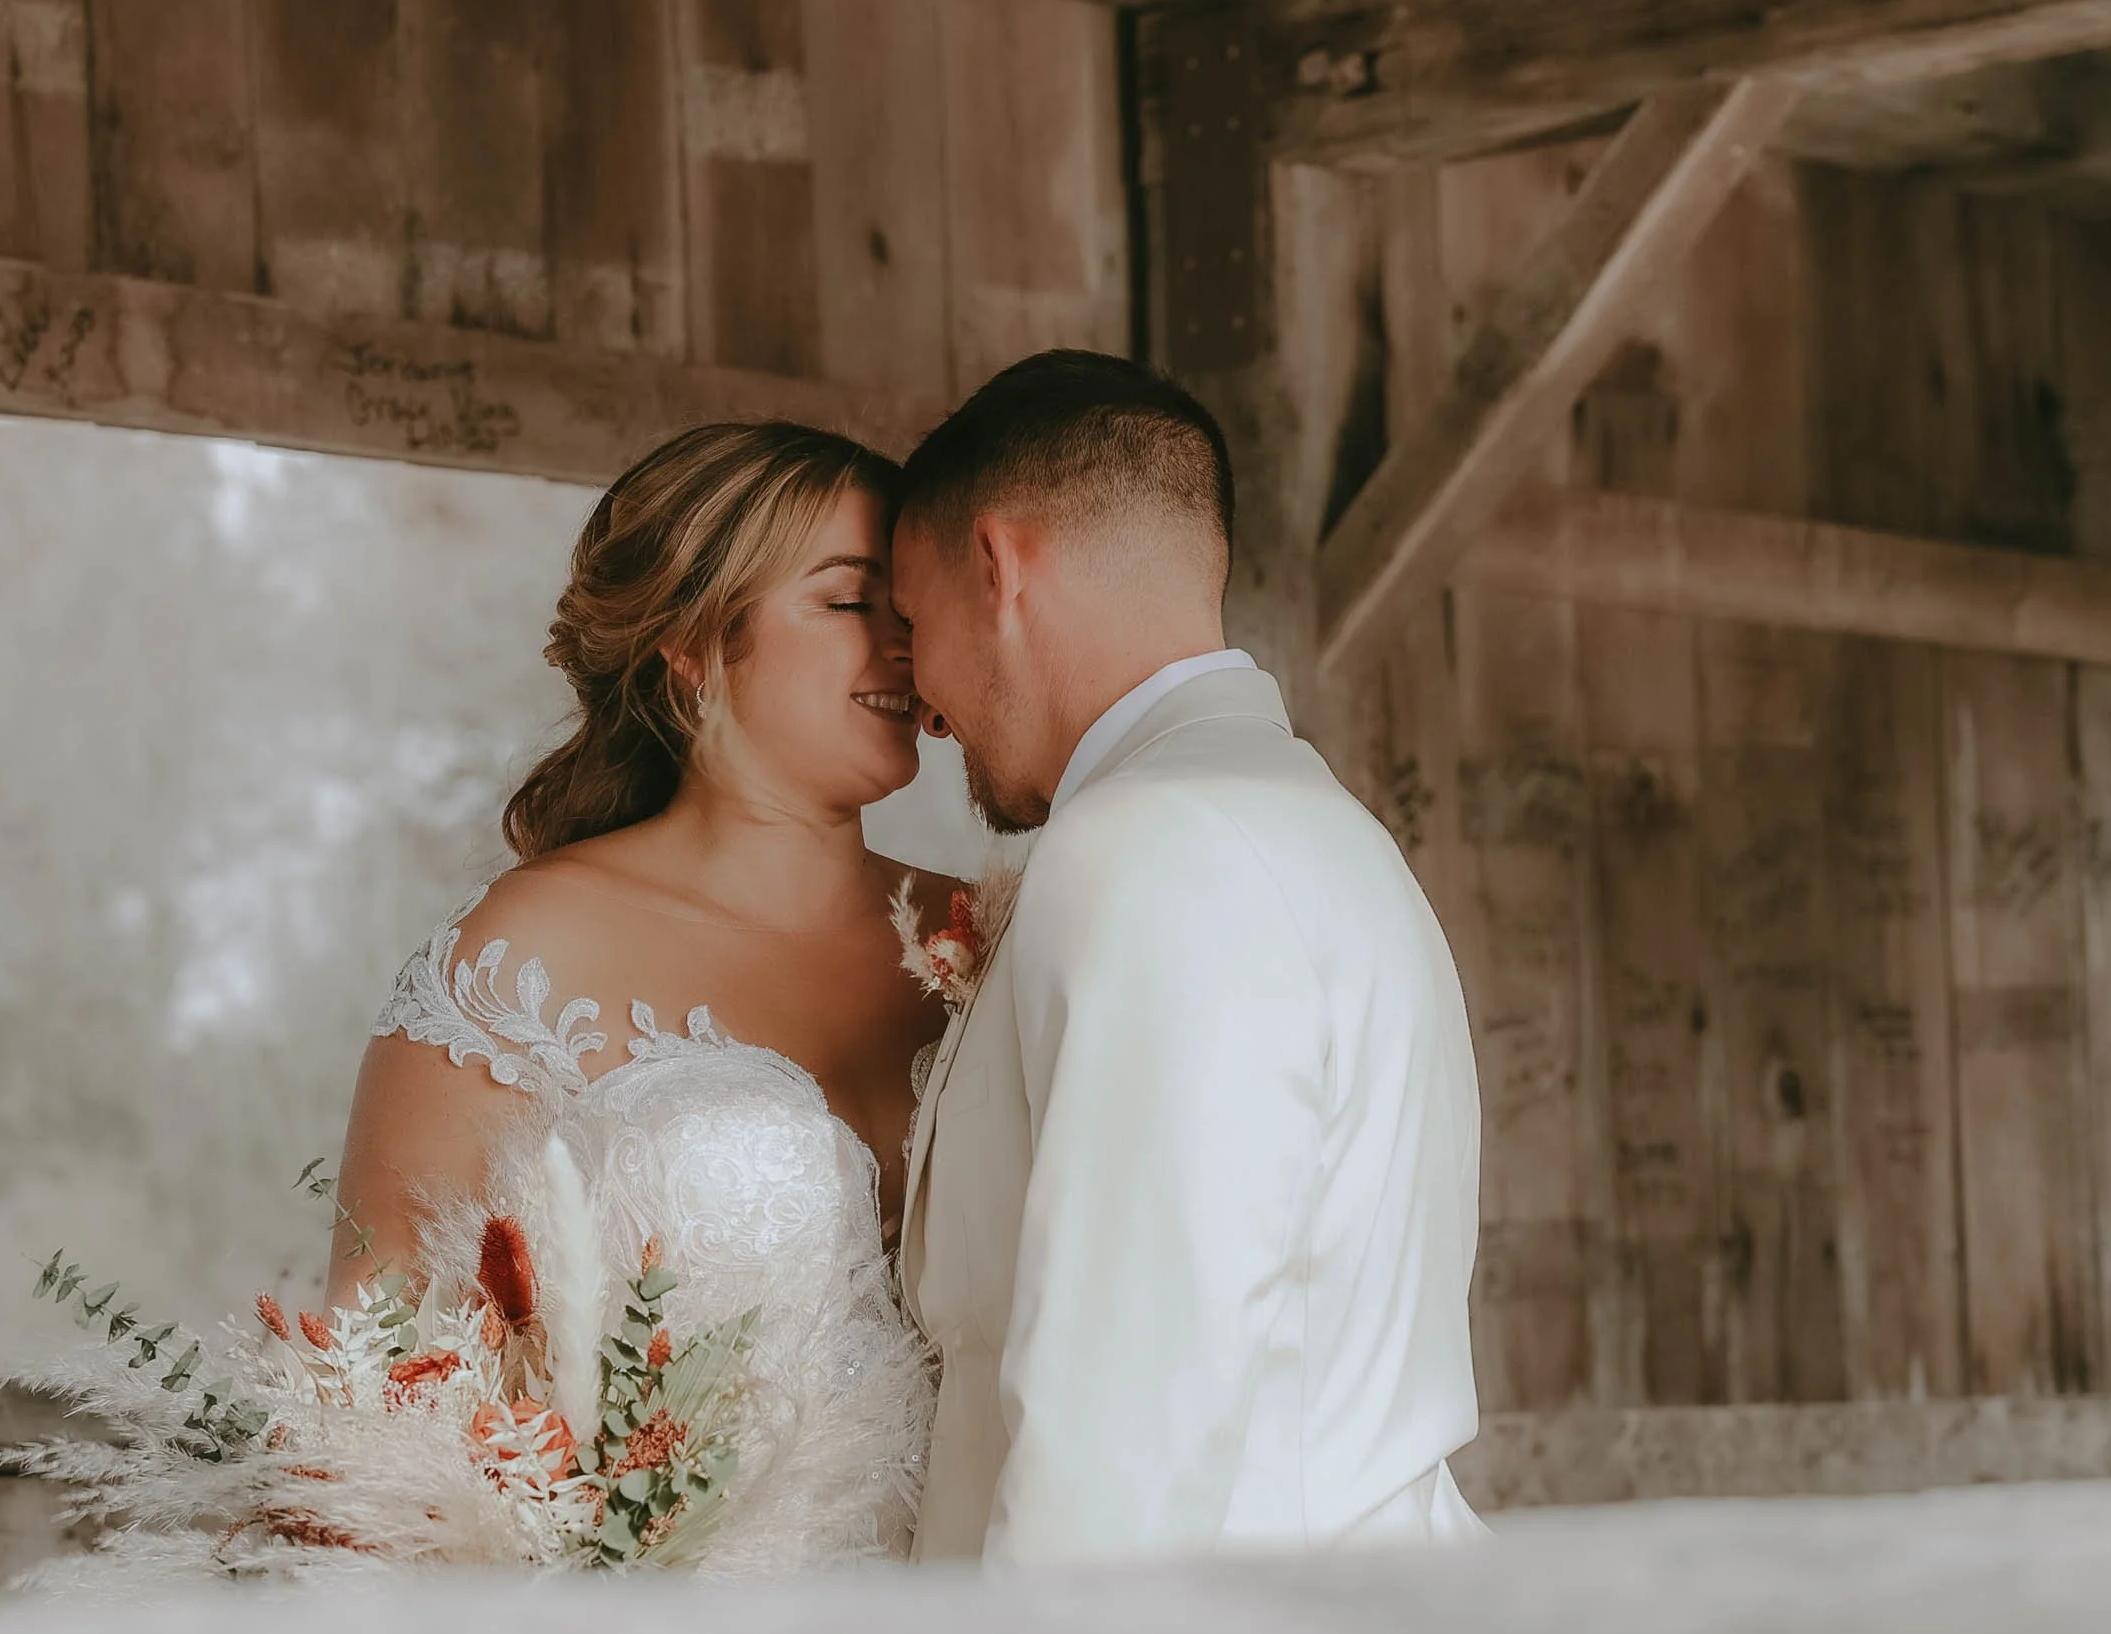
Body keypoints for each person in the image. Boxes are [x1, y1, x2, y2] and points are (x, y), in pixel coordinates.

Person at [889, 350, 1489, 1565]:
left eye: (912, 625)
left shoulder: (1151, 846)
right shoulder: (1301, 823)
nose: (926, 707)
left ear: (997, 567)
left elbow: (1119, 1442)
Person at [330, 422, 952, 1572]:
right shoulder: (524, 953)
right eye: (848, 600)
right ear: (691, 641)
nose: (904, 641)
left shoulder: (986, 940)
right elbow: (382, 1389)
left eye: (909, 603)